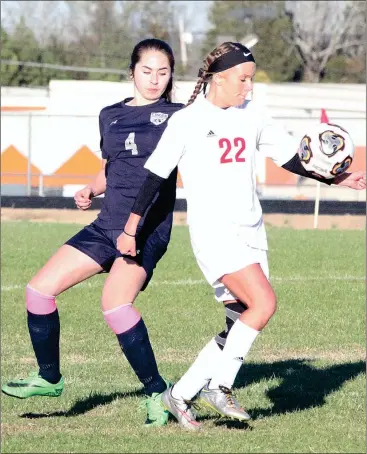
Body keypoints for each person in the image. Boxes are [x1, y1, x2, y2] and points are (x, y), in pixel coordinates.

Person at [116, 41, 367, 431]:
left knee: (239, 322)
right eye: (243, 79)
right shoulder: (186, 121)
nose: (248, 87)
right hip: (215, 234)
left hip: (252, 231)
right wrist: (131, 228)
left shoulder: (252, 115)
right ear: (218, 78)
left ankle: (179, 395)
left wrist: (336, 177)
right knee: (264, 303)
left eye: (250, 80)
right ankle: (221, 387)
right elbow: (153, 179)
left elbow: (290, 158)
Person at [1, 38, 185, 427]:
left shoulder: (180, 116)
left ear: (171, 76)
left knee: (116, 305)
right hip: (106, 225)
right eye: (147, 71)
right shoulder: (110, 115)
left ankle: (158, 392)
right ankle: (50, 378)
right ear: (132, 71)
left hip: (146, 230)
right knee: (38, 292)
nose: (154, 79)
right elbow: (113, 165)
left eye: (163, 72)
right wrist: (90, 187)